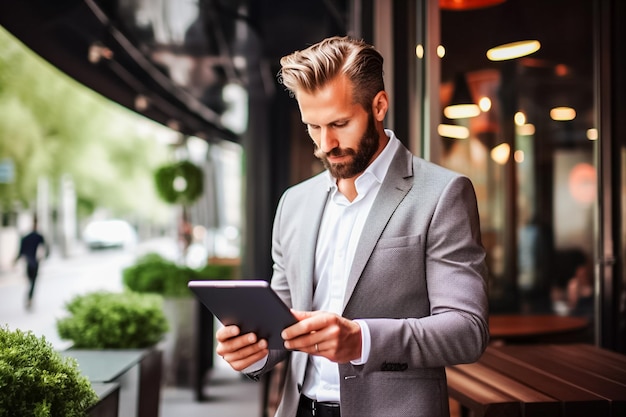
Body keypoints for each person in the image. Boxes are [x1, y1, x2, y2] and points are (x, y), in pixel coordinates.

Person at [216, 36, 489, 417]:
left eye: (339, 123)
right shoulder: (294, 203)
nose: (325, 144)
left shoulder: (442, 194)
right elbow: (284, 319)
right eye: (312, 126)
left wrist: (361, 339)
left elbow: (467, 331)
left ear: (378, 105)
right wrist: (250, 350)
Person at [15, 217, 49, 309]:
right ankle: (30, 298)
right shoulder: (39, 236)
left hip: (28, 262)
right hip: (35, 262)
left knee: (31, 281)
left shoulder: (26, 237)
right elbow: (45, 249)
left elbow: (21, 250)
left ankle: (29, 298)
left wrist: (16, 260)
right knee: (33, 281)